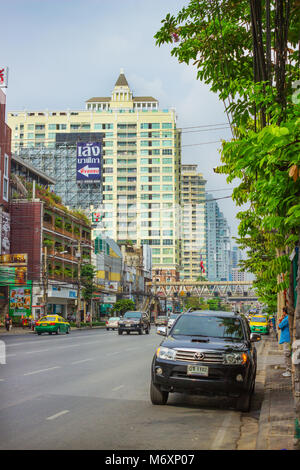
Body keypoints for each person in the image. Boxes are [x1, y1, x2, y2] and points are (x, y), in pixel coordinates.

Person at [278, 307, 291, 377]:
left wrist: (280, 320)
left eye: (283, 312)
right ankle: (288, 370)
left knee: (287, 355)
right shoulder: (288, 318)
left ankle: (288, 371)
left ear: (284, 312)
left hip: (287, 339)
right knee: (288, 355)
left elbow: (279, 327)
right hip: (288, 339)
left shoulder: (286, 319)